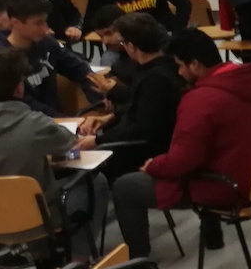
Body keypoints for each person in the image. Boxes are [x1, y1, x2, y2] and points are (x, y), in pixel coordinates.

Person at [113, 30, 251, 269]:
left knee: (125, 187)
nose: (179, 73)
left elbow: (181, 162)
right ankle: (213, 235)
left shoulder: (201, 100)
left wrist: (153, 165)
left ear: (195, 64)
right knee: (208, 154)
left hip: (230, 187)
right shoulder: (248, 81)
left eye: (180, 66)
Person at [0, 48, 95, 257]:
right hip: (34, 221)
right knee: (94, 182)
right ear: (19, 88)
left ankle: (43, 259)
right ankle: (78, 261)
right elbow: (68, 143)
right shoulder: (35, 124)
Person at [74, 13, 184, 181]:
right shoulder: (160, 67)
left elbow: (142, 128)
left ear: (131, 46)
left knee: (76, 161)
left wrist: (98, 140)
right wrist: (109, 118)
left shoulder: (155, 79)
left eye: (122, 43)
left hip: (140, 152)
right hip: (135, 142)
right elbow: (138, 106)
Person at [2, 0, 103, 117]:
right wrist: (63, 120)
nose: (46, 28)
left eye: (45, 22)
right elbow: (23, 103)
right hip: (29, 120)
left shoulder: (46, 43)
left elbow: (78, 68)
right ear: (15, 23)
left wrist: (99, 99)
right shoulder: (2, 59)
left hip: (55, 118)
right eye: (38, 23)